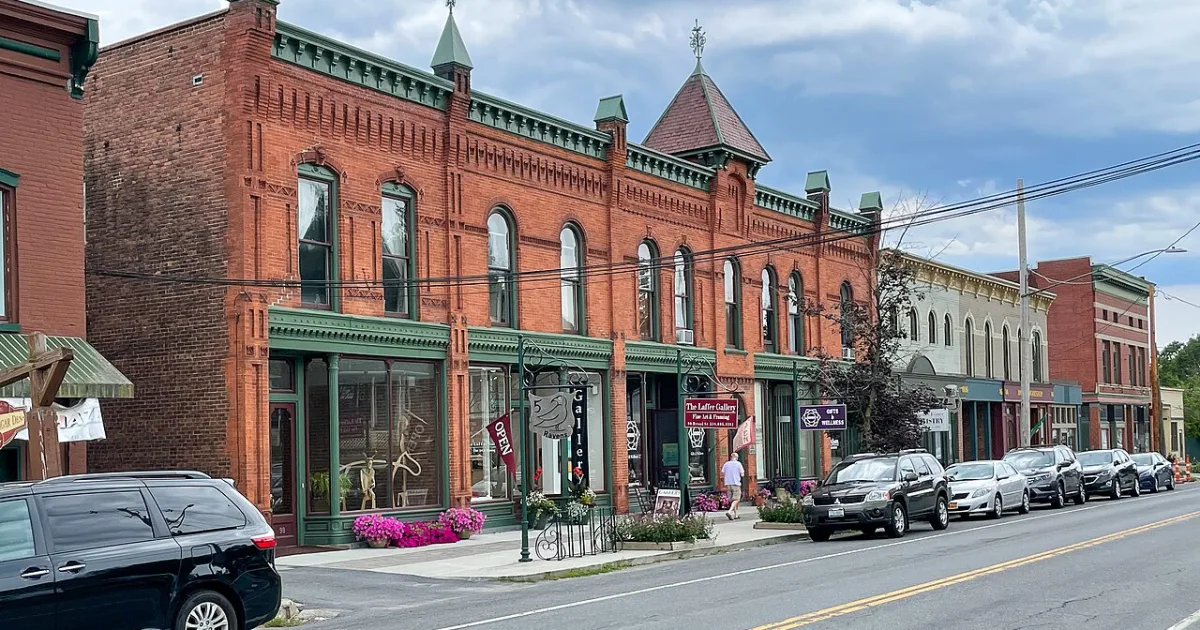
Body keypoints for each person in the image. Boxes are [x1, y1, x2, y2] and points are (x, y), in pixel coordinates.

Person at [722, 452, 745, 520]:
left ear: (731, 457)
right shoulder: (738, 464)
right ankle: (729, 511)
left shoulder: (726, 464)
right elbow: (742, 474)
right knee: (736, 499)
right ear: (737, 458)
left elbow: (723, 472)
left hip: (728, 483)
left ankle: (735, 515)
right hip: (736, 483)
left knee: (732, 500)